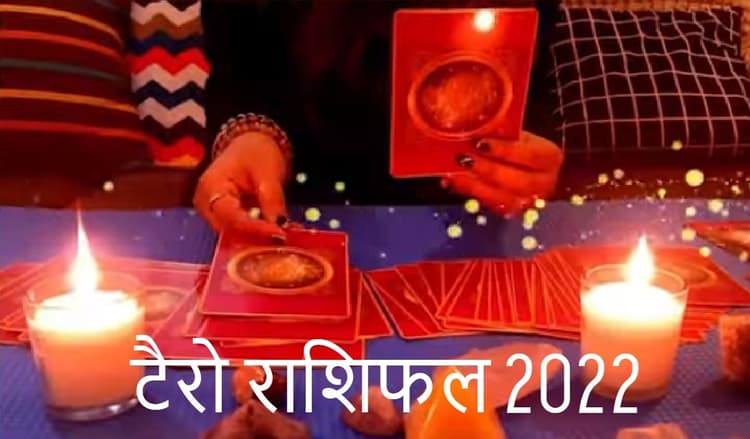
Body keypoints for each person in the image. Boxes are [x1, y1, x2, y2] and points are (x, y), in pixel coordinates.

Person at [193, 0, 563, 241]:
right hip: (287, 223)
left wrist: (525, 162)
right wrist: (248, 136)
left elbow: (533, 82)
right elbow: (239, 72)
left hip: (467, 231)